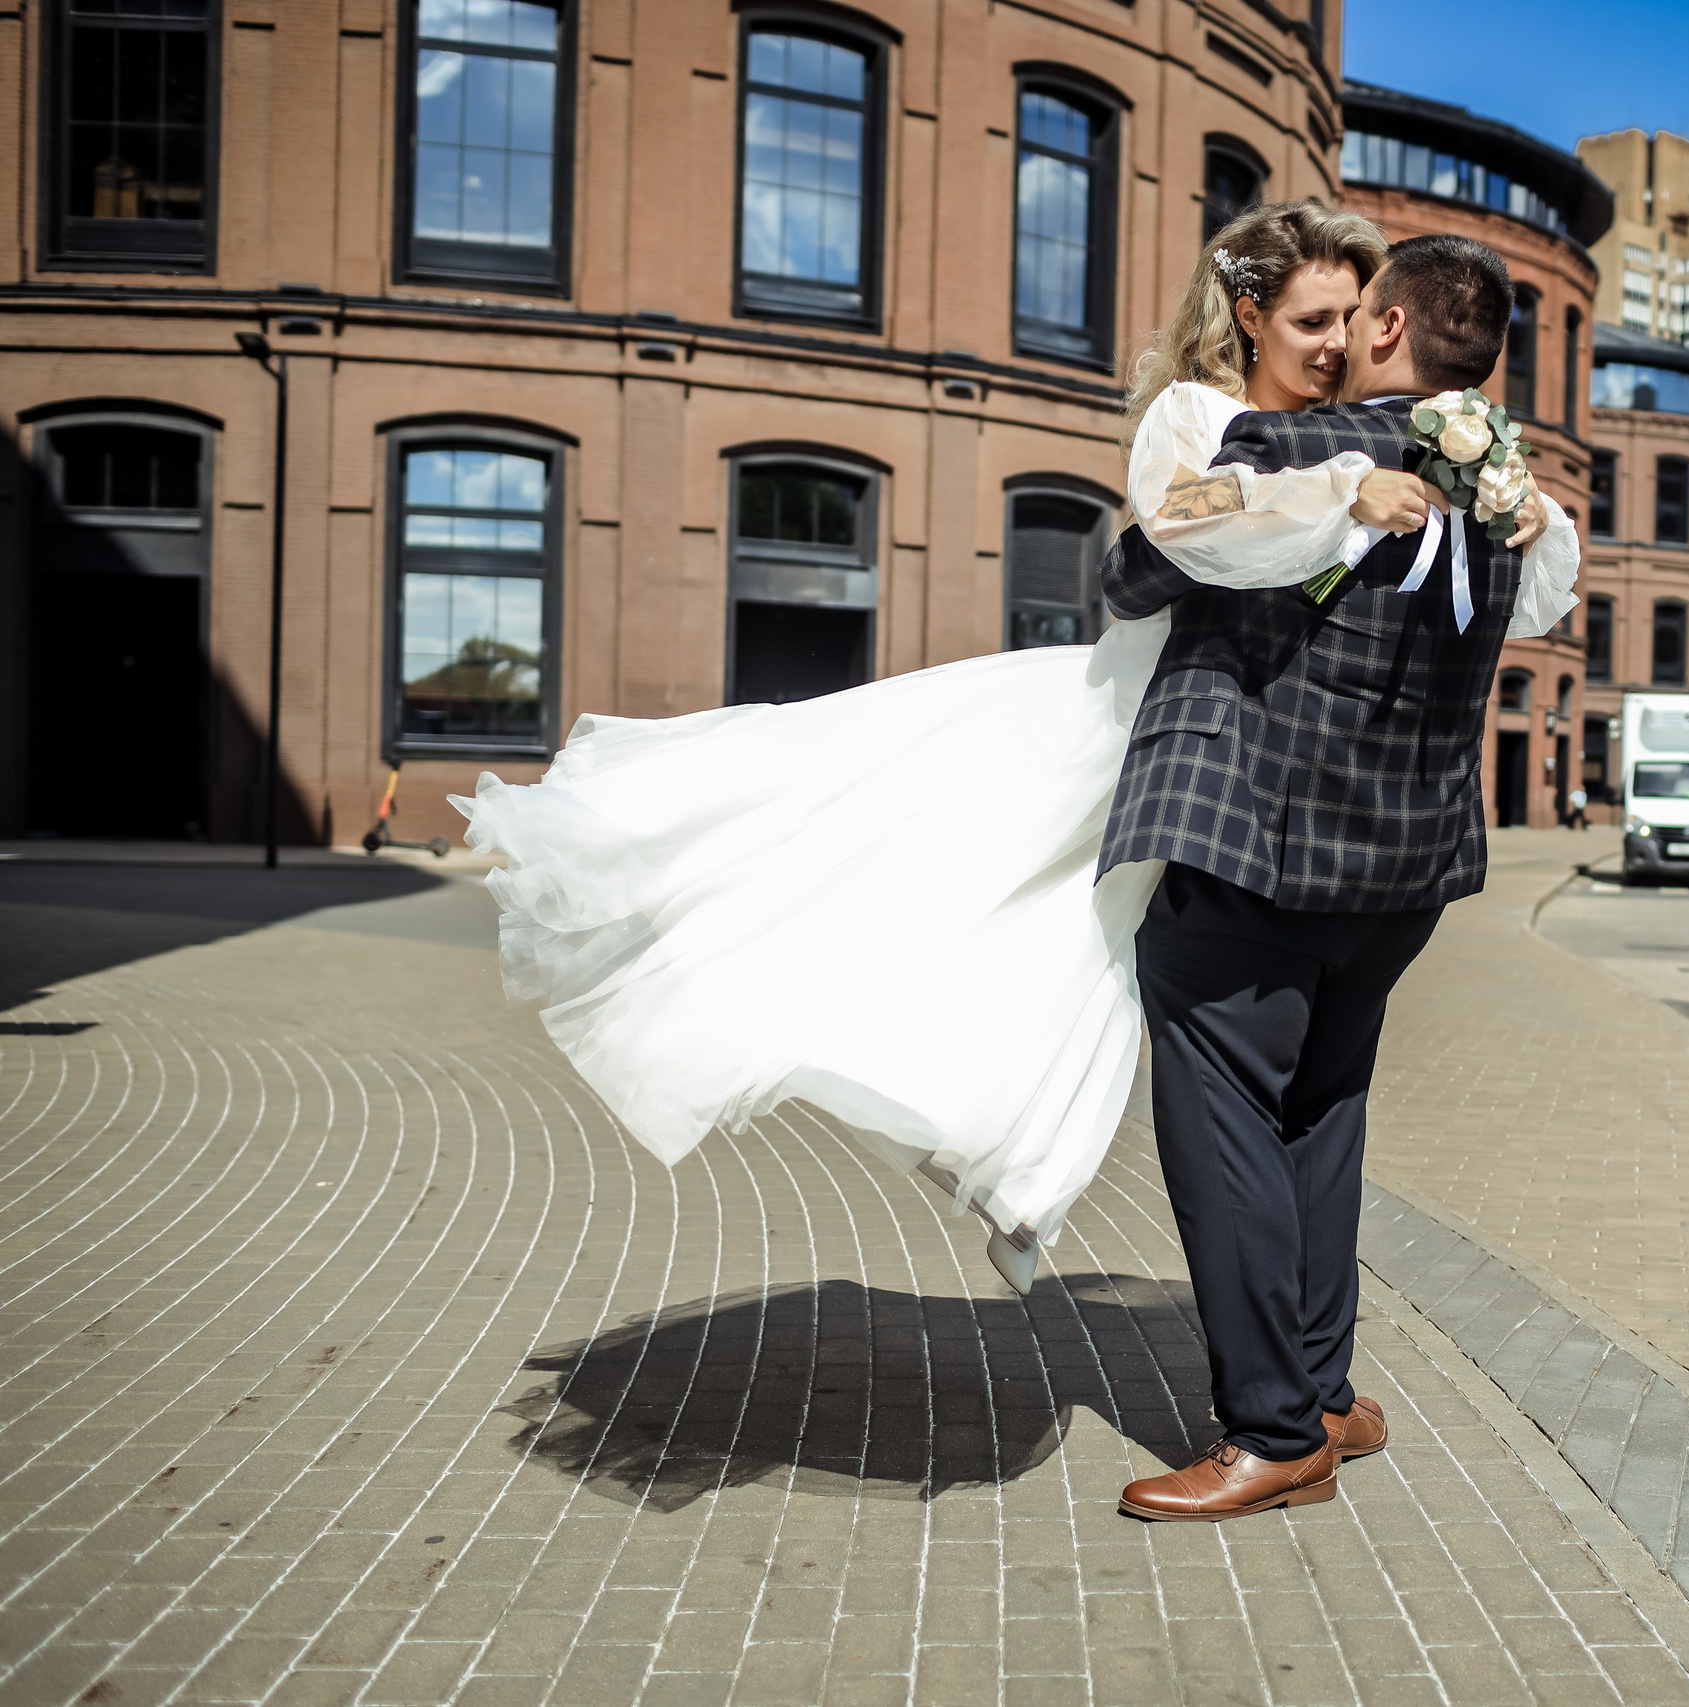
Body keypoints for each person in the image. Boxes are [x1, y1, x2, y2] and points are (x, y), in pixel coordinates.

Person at [448, 205, 1578, 1312]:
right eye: (1312, 322)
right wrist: (1337, 491)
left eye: (1350, 320)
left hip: (1251, 774)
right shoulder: (1201, 415)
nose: (1335, 346)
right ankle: (1015, 1159)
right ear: (1248, 315)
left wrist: (1493, 514)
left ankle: (1044, 1181)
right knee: (968, 894)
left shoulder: (1404, 444)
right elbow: (1180, 527)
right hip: (1133, 722)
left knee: (1098, 971)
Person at [1104, 233, 1575, 1525]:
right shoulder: (1512, 496)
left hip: (1264, 846)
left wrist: (1290, 491)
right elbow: (1540, 597)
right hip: (1405, 872)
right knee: (1322, 1109)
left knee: (1224, 1112)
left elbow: (1140, 552)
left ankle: (1268, 1430)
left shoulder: (1284, 445)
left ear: (1384, 327)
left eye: (1355, 311)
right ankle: (1323, 1398)